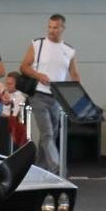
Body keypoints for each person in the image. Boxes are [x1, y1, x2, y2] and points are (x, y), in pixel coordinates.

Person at [19, 14, 79, 173]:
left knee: (51, 135)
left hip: (57, 98)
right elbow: (24, 67)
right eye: (50, 27)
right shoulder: (37, 44)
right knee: (47, 133)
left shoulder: (69, 50)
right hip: (38, 94)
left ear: (62, 28)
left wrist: (76, 96)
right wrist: (38, 75)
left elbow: (74, 75)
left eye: (55, 27)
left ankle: (40, 169)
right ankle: (58, 169)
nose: (51, 30)